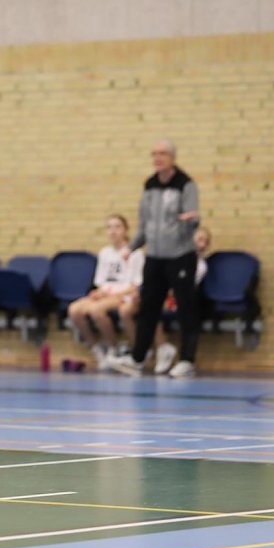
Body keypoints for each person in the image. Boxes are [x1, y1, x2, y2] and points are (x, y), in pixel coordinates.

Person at [107, 139, 201, 378]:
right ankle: (137, 358)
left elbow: (194, 218)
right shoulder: (149, 185)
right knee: (148, 308)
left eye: (162, 154)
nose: (157, 158)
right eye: (154, 154)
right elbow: (144, 223)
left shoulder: (185, 184)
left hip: (180, 256)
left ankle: (187, 360)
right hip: (155, 257)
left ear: (172, 157)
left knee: (185, 308)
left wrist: (192, 220)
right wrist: (132, 246)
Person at [67, 214, 143, 369]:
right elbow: (100, 281)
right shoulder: (104, 253)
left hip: (123, 294)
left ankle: (114, 348)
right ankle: (96, 348)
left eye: (117, 227)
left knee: (96, 310)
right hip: (106, 294)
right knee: (74, 310)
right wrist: (99, 292)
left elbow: (136, 284)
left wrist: (114, 295)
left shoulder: (136, 253)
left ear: (125, 230)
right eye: (109, 227)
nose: (113, 231)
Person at [152, 226, 211, 374]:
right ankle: (163, 348)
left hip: (187, 300)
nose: (202, 244)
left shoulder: (200, 265)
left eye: (206, 242)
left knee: (189, 312)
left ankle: (186, 361)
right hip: (168, 297)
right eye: (199, 240)